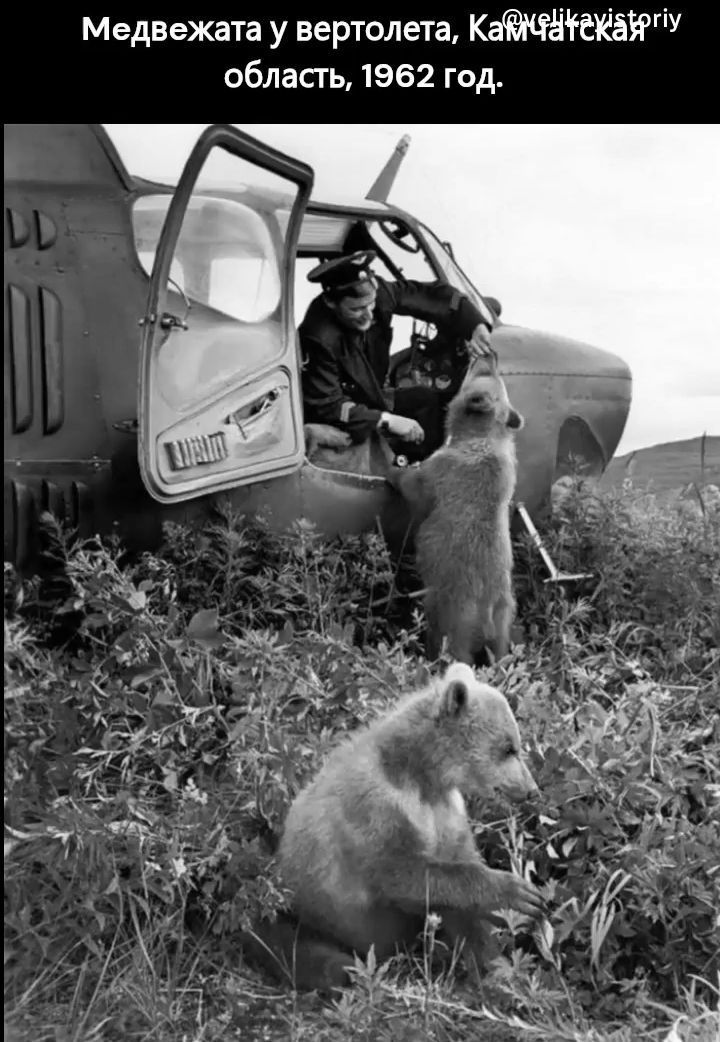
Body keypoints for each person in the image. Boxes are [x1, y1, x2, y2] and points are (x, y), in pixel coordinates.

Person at [299, 250, 494, 452]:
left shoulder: (378, 294)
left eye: (371, 304)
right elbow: (328, 405)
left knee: (426, 399)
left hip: (372, 397)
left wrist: (475, 324)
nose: (367, 315)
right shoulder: (317, 337)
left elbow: (432, 295)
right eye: (356, 309)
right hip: (343, 414)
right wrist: (385, 420)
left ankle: (420, 466)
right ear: (331, 302)